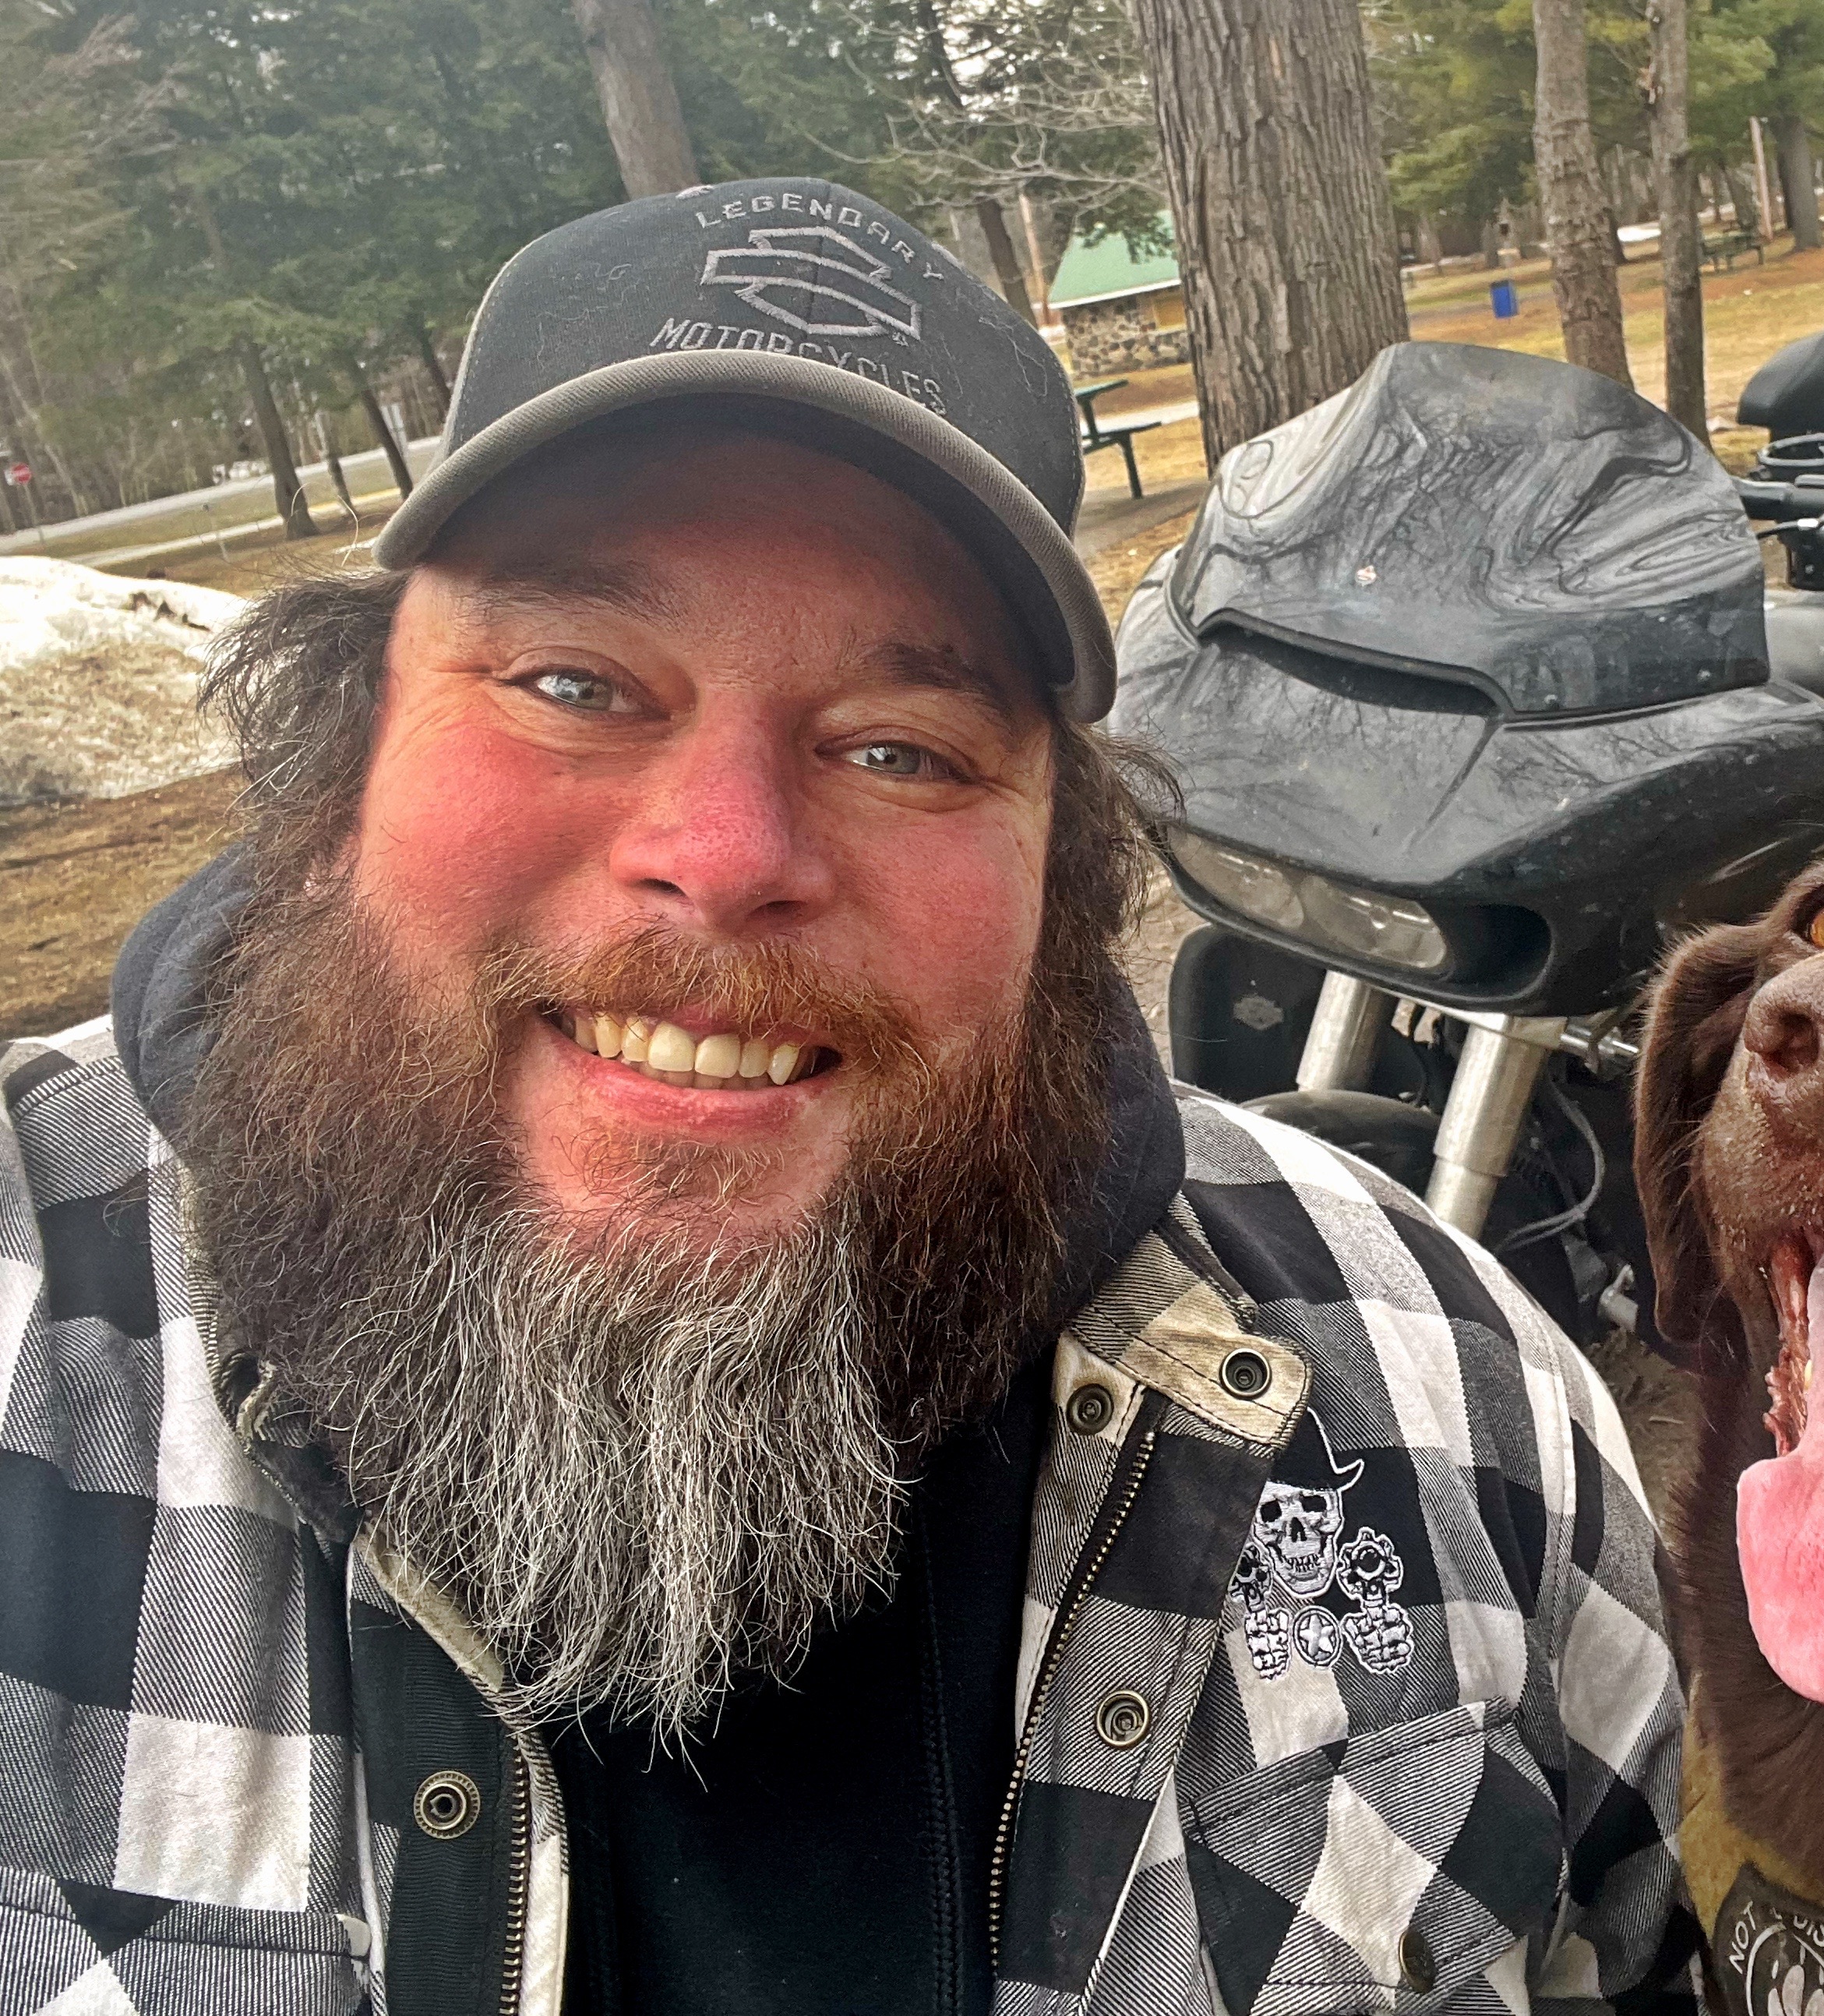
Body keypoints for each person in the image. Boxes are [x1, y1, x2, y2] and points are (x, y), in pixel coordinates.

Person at [0, 179, 1695, 2016]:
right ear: (339, 764)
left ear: (1061, 869)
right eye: (575, 681)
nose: (728, 855)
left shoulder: (1453, 1403)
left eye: (902, 747)